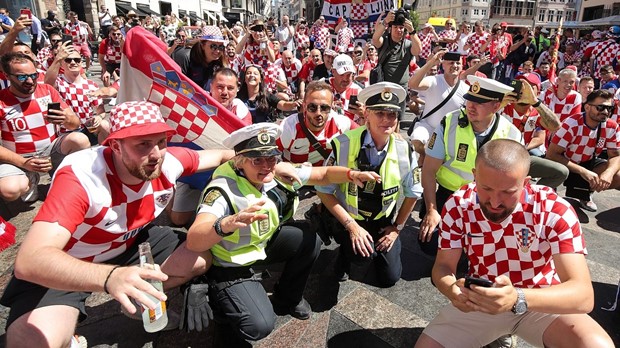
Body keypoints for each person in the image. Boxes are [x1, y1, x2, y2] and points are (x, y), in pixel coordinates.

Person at [0, 101, 235, 347]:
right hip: (68, 259)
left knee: (199, 258)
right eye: (143, 144)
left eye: (161, 142)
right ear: (115, 145)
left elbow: (219, 155)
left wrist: (260, 161)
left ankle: (135, 297)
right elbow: (30, 260)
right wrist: (110, 277)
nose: (155, 154)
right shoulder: (82, 176)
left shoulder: (167, 162)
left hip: (129, 245)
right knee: (28, 343)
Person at [187, 123, 380, 343]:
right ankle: (221, 305)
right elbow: (194, 239)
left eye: (271, 158)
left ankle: (288, 298)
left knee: (309, 239)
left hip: (261, 244)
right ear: (239, 161)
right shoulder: (221, 189)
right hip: (231, 263)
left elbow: (323, 174)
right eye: (257, 159)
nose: (266, 165)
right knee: (259, 324)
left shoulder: (275, 174)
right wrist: (228, 223)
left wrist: (351, 174)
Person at [414, 139, 614, 348]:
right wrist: (452, 290)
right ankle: (498, 332)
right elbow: (443, 267)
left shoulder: (553, 209)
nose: (495, 201)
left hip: (542, 298)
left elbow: (583, 296)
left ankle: (500, 332)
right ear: (474, 176)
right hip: (483, 299)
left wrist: (517, 298)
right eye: (486, 188)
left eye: (508, 192)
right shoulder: (458, 205)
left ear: (526, 183)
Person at [316, 82, 423, 286]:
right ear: (367, 115)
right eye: (380, 113)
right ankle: (346, 254)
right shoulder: (344, 144)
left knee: (389, 278)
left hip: (382, 219)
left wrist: (397, 228)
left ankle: (369, 248)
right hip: (348, 216)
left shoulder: (404, 149)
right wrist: (352, 227)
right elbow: (323, 190)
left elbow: (413, 192)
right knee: (360, 257)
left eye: (392, 114)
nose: (386, 119)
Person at [418, 75, 522, 255]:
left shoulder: (511, 134)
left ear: (496, 106)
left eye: (480, 103)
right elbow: (428, 170)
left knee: (489, 249)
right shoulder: (449, 122)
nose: (471, 107)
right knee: (430, 244)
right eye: (469, 100)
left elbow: (515, 184)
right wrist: (431, 210)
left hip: (488, 201)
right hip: (449, 196)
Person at [0, 52, 89, 203]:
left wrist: (67, 119)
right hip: (18, 158)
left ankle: (62, 178)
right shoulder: (2, 100)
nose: (30, 80)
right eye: (22, 77)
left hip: (50, 150)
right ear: (7, 76)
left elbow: (75, 123)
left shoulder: (47, 90)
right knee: (10, 190)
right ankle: (29, 178)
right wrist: (23, 163)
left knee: (80, 139)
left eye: (33, 75)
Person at [547, 89, 620, 212]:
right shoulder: (572, 123)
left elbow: (615, 156)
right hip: (565, 163)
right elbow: (552, 154)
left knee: (617, 175)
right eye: (601, 107)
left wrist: (608, 173)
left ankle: (584, 193)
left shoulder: (612, 126)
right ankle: (553, 192)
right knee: (560, 171)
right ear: (587, 107)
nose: (606, 112)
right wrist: (583, 171)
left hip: (589, 162)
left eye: (610, 108)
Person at [500, 73, 569, 189]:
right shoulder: (503, 105)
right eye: (521, 85)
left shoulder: (536, 112)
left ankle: (533, 193)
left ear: (537, 92)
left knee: (561, 172)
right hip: (498, 159)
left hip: (521, 158)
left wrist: (536, 102)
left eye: (529, 87)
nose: (523, 89)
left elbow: (555, 126)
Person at [409, 50, 469, 166]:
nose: (454, 66)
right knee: (416, 140)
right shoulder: (434, 80)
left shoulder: (466, 89)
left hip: (451, 132)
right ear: (443, 65)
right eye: (451, 63)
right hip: (428, 126)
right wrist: (430, 63)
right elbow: (413, 84)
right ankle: (427, 156)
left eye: (457, 63)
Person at [277, 81, 357, 166]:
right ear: (304, 106)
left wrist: (364, 115)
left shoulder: (339, 123)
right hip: (296, 177)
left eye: (324, 107)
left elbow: (366, 135)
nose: (318, 113)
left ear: (332, 107)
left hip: (330, 177)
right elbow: (269, 158)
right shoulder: (289, 127)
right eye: (312, 107)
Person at [44, 43, 109, 145]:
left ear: (81, 63)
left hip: (88, 129)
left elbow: (101, 111)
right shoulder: (59, 82)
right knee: (78, 140)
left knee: (105, 125)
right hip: (67, 132)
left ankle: (105, 156)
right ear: (62, 64)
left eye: (77, 60)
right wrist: (58, 58)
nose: (73, 62)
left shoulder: (91, 85)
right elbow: (47, 83)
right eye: (68, 60)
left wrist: (99, 118)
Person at [372, 10, 416, 119]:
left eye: (401, 27)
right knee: (383, 117)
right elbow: (375, 39)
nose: (398, 30)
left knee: (397, 118)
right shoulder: (384, 42)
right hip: (384, 88)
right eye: (395, 27)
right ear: (391, 29)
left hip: (401, 89)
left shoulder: (408, 44)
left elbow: (418, 50)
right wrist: (386, 21)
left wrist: (412, 31)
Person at [186, 26, 227, 92]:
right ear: (202, 45)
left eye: (221, 47)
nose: (217, 51)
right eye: (213, 46)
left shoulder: (219, 65)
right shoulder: (187, 58)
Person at [326, 54, 363, 121]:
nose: (345, 79)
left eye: (348, 74)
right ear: (333, 72)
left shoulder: (359, 92)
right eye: (342, 74)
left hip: (350, 130)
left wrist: (364, 114)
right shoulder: (322, 86)